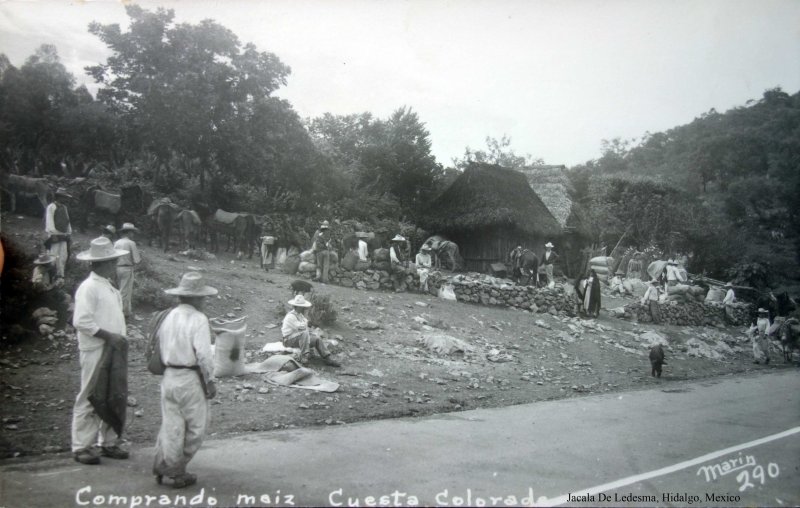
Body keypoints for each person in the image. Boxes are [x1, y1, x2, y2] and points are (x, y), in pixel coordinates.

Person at [152, 272, 218, 488]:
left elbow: (159, 347)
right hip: (189, 377)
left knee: (172, 425)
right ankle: (176, 469)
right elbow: (204, 356)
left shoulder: (167, 316)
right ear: (197, 298)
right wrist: (210, 380)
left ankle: (165, 463)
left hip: (169, 374)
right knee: (197, 427)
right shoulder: (199, 319)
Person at [71, 237, 129, 465]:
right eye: (111, 262)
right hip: (97, 347)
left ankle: (109, 442)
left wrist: (118, 336)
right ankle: (82, 445)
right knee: (91, 394)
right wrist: (110, 336)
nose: (114, 266)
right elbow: (81, 321)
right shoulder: (89, 287)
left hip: (114, 347)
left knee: (113, 393)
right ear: (100, 264)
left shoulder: (107, 286)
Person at [281, 295, 340, 367]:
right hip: (288, 340)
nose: (304, 308)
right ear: (298, 307)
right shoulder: (290, 316)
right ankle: (304, 357)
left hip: (298, 338)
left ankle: (327, 357)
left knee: (316, 338)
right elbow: (301, 328)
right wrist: (306, 324)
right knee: (305, 333)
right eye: (302, 307)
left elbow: (305, 325)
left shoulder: (300, 315)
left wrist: (309, 329)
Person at [114, 223, 141, 319]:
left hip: (117, 267)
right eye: (132, 232)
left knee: (119, 289)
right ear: (129, 233)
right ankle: (122, 312)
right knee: (125, 291)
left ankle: (125, 311)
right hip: (127, 268)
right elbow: (137, 259)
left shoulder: (117, 242)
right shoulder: (131, 243)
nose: (133, 235)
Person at [45, 187, 73, 279]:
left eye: (66, 197)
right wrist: (54, 232)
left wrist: (69, 232)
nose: (65, 199)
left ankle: (61, 275)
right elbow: (49, 221)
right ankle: (50, 275)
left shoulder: (64, 207)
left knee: (63, 255)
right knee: (53, 254)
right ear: (59, 197)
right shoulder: (51, 207)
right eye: (63, 197)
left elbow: (67, 220)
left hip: (64, 235)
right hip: (55, 235)